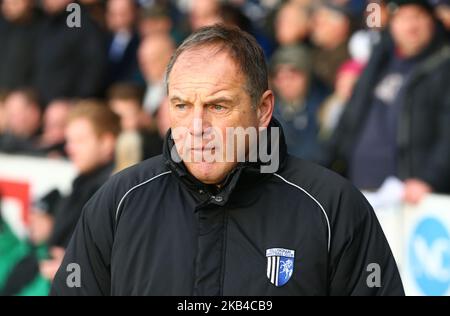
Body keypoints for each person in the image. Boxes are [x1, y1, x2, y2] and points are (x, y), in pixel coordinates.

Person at [51, 25, 404, 296]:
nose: (197, 128)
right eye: (181, 106)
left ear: (263, 109)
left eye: (218, 106)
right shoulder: (118, 203)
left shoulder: (334, 208)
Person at [322, 0, 450, 203]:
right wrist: (324, 172)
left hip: (410, 200)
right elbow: (348, 121)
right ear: (393, 23)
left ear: (432, 22)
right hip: (359, 192)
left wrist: (429, 179)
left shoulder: (443, 67)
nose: (411, 26)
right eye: (404, 17)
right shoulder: (378, 63)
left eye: (418, 16)